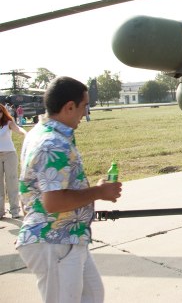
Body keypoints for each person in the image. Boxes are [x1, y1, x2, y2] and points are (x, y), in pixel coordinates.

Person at [16, 76, 123, 303]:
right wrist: (99, 192)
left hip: (67, 237)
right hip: (53, 240)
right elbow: (53, 202)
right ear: (69, 107)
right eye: (85, 106)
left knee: (92, 295)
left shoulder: (41, 132)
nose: (86, 113)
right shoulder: (52, 144)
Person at [0, 103, 28, 218]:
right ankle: (0, 211)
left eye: (0, 112)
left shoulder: (8, 123)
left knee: (12, 182)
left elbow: (17, 129)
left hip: (9, 155)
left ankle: (15, 210)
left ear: (3, 112)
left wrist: (25, 133)